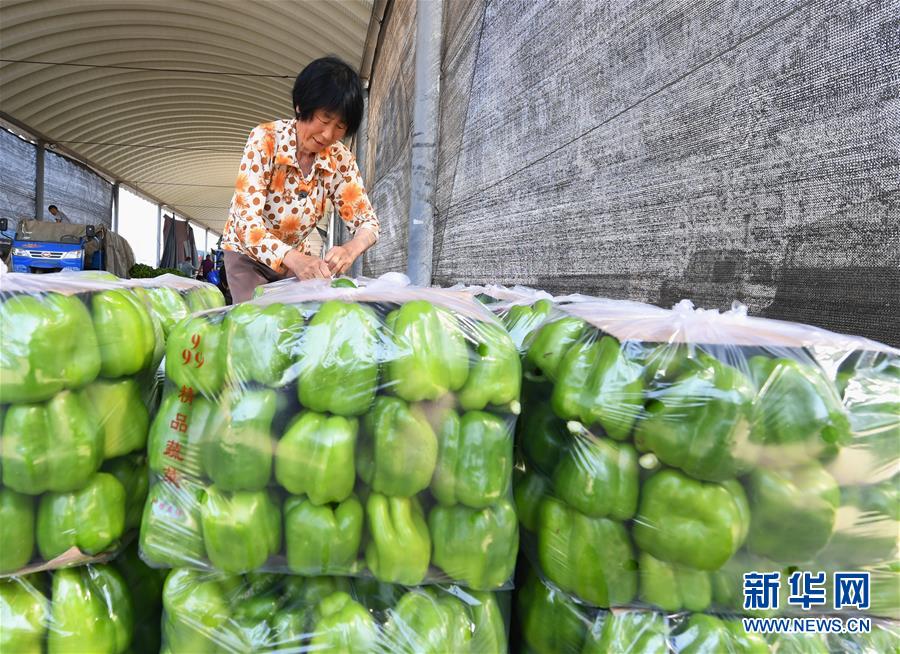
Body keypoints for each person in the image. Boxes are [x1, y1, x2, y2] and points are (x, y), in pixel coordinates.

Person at [220, 56, 379, 303]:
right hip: (248, 255)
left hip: (296, 259)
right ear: (301, 106)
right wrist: (294, 259)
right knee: (256, 325)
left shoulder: (340, 159)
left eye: (340, 126)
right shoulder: (266, 139)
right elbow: (245, 224)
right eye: (324, 119)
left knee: (295, 324)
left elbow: (367, 223)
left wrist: (350, 249)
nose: (328, 134)